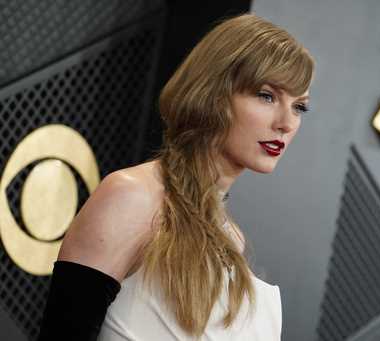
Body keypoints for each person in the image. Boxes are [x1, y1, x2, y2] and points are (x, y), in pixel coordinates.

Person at [37, 13, 314, 341]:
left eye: (299, 107)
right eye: (267, 96)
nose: (286, 123)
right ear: (214, 93)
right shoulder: (132, 196)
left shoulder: (231, 239)